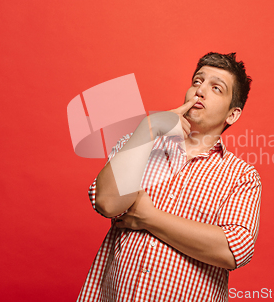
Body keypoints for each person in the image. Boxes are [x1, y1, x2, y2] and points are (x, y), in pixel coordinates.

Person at [77, 52, 262, 302]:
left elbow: (233, 250)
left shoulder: (241, 176)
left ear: (232, 114)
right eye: (197, 81)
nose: (200, 91)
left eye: (216, 88)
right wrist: (148, 127)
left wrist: (150, 218)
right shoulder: (140, 144)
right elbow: (107, 203)